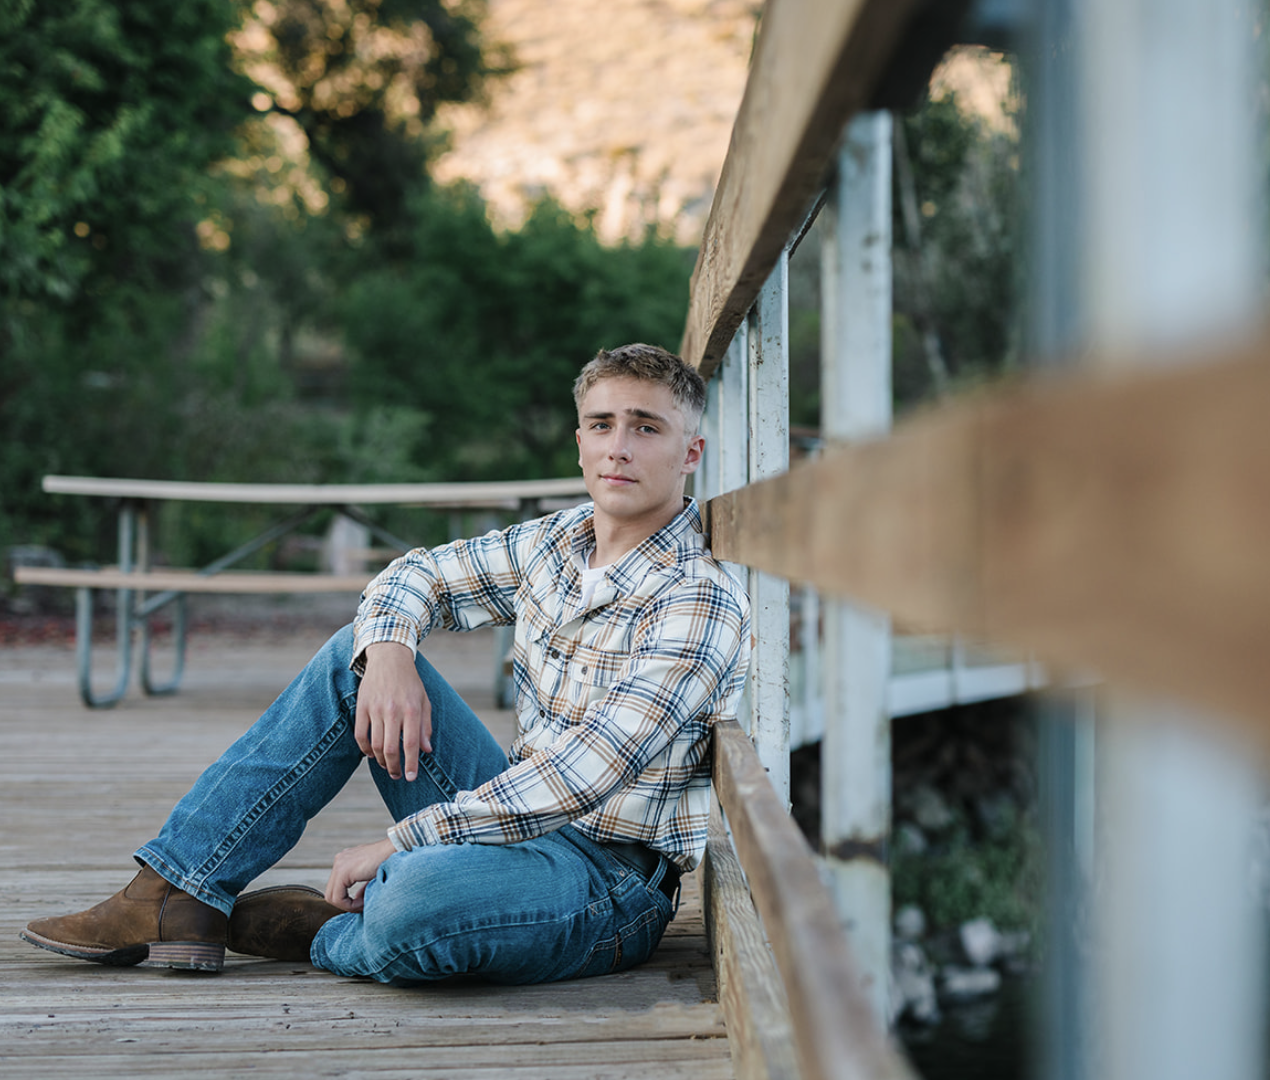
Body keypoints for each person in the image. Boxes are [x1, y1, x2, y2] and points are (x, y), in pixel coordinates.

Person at [21, 343, 749, 985]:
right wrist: (391, 653)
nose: (619, 447)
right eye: (602, 424)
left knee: (412, 901)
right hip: (512, 814)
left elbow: (581, 777)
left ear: (690, 452)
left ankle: (326, 933)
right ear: (581, 441)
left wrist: (400, 841)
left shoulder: (698, 599)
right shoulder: (556, 544)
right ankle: (175, 891)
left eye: (646, 428)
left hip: (606, 882)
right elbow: (415, 575)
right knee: (355, 656)